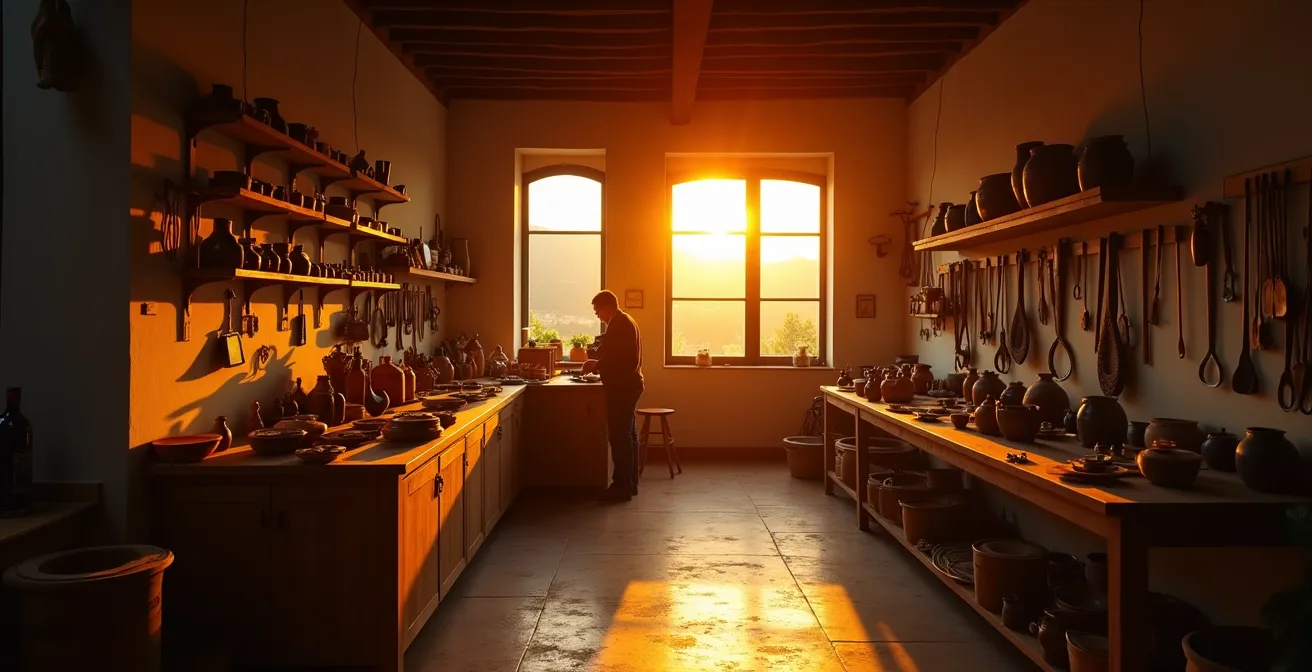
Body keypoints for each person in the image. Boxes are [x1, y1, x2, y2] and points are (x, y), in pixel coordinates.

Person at [581, 290, 643, 502]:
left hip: (623, 387)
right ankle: (630, 483)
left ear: (607, 306)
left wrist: (596, 364)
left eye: (597, 310)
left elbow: (622, 359)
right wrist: (599, 362)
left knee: (619, 436)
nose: (597, 315)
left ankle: (621, 487)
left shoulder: (620, 324)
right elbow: (617, 354)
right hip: (630, 385)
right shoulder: (625, 321)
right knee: (629, 435)